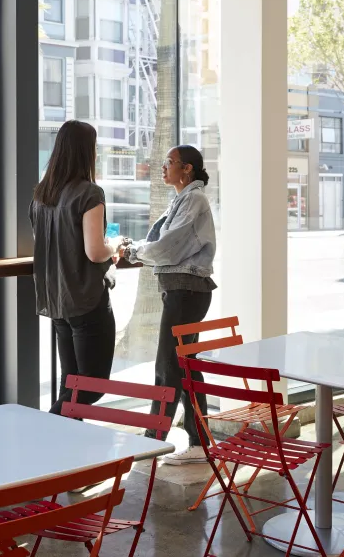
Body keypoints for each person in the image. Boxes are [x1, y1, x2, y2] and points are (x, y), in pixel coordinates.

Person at [123, 145, 216, 465]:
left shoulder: (193, 199)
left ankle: (154, 437)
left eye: (169, 163)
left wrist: (132, 252)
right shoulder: (184, 198)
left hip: (187, 291)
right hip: (185, 291)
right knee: (185, 366)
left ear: (187, 169)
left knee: (167, 366)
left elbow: (169, 247)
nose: (163, 167)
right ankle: (200, 436)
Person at [29, 120, 124, 415]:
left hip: (56, 299)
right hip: (86, 299)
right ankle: (44, 427)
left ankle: (66, 454)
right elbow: (95, 252)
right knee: (92, 387)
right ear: (87, 151)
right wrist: (116, 246)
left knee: (71, 384)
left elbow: (51, 245)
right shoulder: (89, 193)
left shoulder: (42, 194)